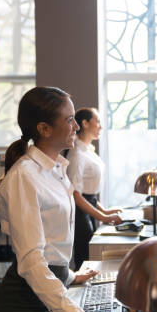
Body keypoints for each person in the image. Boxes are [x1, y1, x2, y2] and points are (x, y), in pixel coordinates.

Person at [0, 87, 119, 312]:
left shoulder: (56, 169)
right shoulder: (25, 176)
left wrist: (70, 275)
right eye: (70, 119)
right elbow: (33, 260)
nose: (76, 125)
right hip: (24, 305)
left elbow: (51, 245)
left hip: (48, 289)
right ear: (44, 128)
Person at [66, 107, 122, 271]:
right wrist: (104, 217)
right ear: (84, 123)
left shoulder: (87, 150)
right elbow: (76, 195)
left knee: (91, 259)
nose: (100, 126)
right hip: (80, 212)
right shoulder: (76, 154)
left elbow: (89, 193)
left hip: (88, 206)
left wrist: (106, 211)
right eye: (97, 121)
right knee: (85, 259)